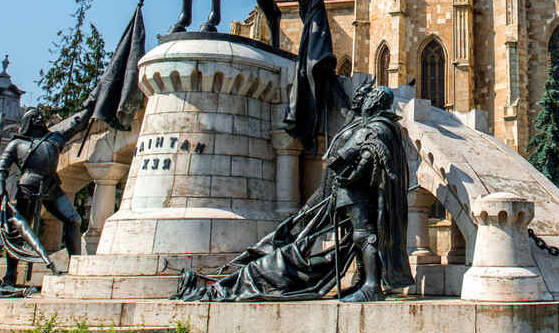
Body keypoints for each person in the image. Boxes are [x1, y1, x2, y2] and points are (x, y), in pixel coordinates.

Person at [175, 80, 413, 302]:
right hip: (350, 191)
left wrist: (348, 173)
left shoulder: (373, 128)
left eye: (368, 97)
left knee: (362, 234)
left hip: (354, 190)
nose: (362, 101)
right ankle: (363, 281)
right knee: (355, 237)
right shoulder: (377, 126)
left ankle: (372, 285)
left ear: (375, 102)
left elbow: (360, 157)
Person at [0, 102, 95, 285]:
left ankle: (75, 265)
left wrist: (92, 106)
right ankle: (10, 275)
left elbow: (76, 124)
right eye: (34, 117)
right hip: (27, 188)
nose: (38, 119)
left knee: (74, 219)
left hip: (51, 187)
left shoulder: (54, 138)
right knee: (19, 232)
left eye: (40, 116)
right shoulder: (17, 143)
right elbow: (1, 166)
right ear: (27, 122)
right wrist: (0, 185)